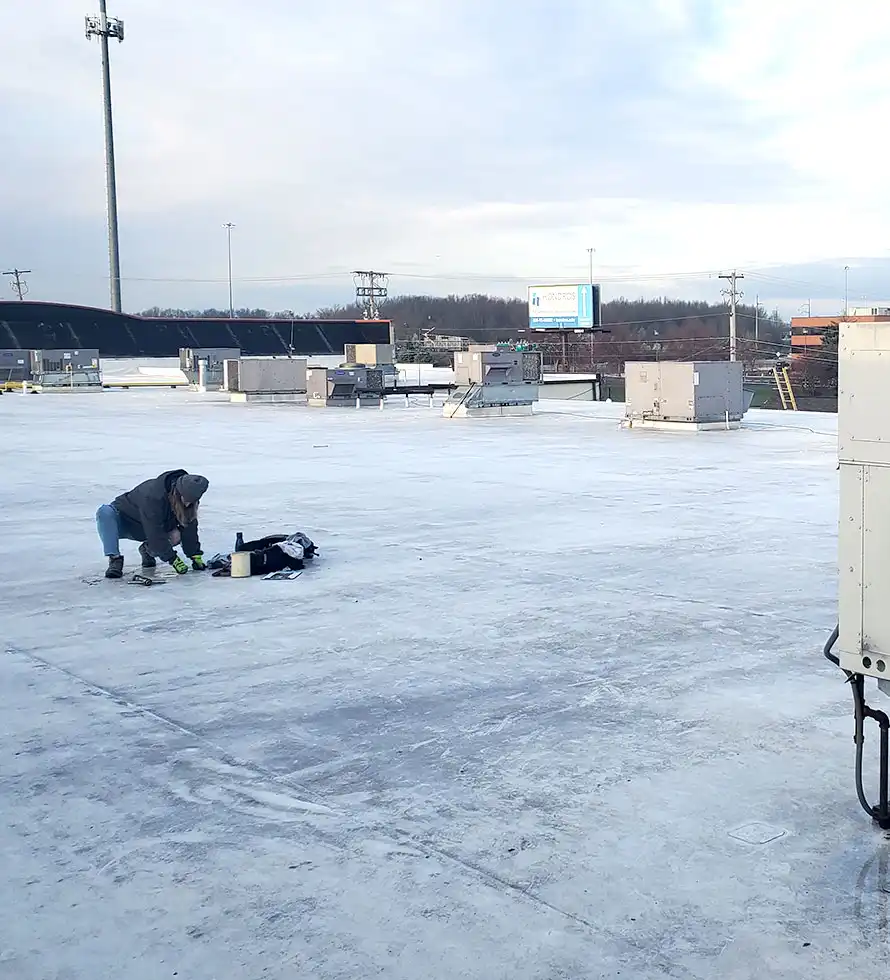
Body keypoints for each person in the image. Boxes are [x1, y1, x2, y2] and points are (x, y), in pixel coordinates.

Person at [96, 469, 210, 579]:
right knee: (105, 512)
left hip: (149, 528)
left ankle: (147, 550)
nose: (187, 503)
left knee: (176, 535)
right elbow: (154, 531)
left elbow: (189, 525)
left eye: (191, 502)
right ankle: (115, 560)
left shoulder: (189, 496)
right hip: (125, 523)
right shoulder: (152, 495)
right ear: (178, 492)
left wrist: (195, 555)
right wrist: (172, 559)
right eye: (185, 500)